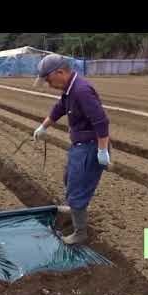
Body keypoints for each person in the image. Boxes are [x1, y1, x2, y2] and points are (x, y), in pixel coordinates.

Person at [33, 54, 111, 245]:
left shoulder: (82, 90)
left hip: (91, 147)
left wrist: (102, 151)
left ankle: (80, 232)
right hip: (79, 145)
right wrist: (44, 127)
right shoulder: (69, 90)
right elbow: (59, 108)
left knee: (77, 187)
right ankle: (75, 207)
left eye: (49, 79)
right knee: (69, 178)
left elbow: (101, 122)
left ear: (60, 72)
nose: (49, 84)